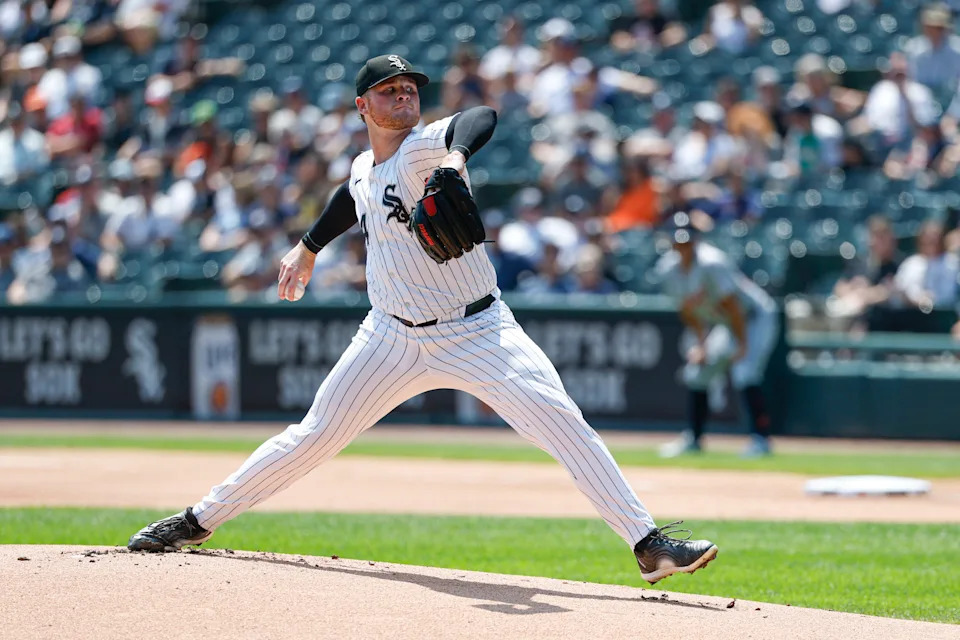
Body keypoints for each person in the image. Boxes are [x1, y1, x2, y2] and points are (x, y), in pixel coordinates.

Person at [127, 54, 718, 585]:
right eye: (389, 90)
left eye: (409, 87)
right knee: (312, 437)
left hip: (480, 331)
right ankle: (197, 520)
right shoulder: (365, 165)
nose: (403, 95)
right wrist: (307, 246)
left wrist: (456, 158)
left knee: (563, 424)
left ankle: (647, 544)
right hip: (389, 336)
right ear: (363, 106)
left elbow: (480, 115)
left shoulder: (424, 147)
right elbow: (348, 196)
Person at [656, 213, 778, 458]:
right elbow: (688, 311)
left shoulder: (713, 263)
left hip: (753, 317)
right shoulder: (667, 269)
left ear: (696, 241)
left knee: (745, 372)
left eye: (687, 241)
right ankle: (694, 439)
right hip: (726, 323)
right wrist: (701, 344)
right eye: (678, 242)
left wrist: (743, 345)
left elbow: (734, 307)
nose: (683, 247)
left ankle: (761, 440)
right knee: (697, 373)